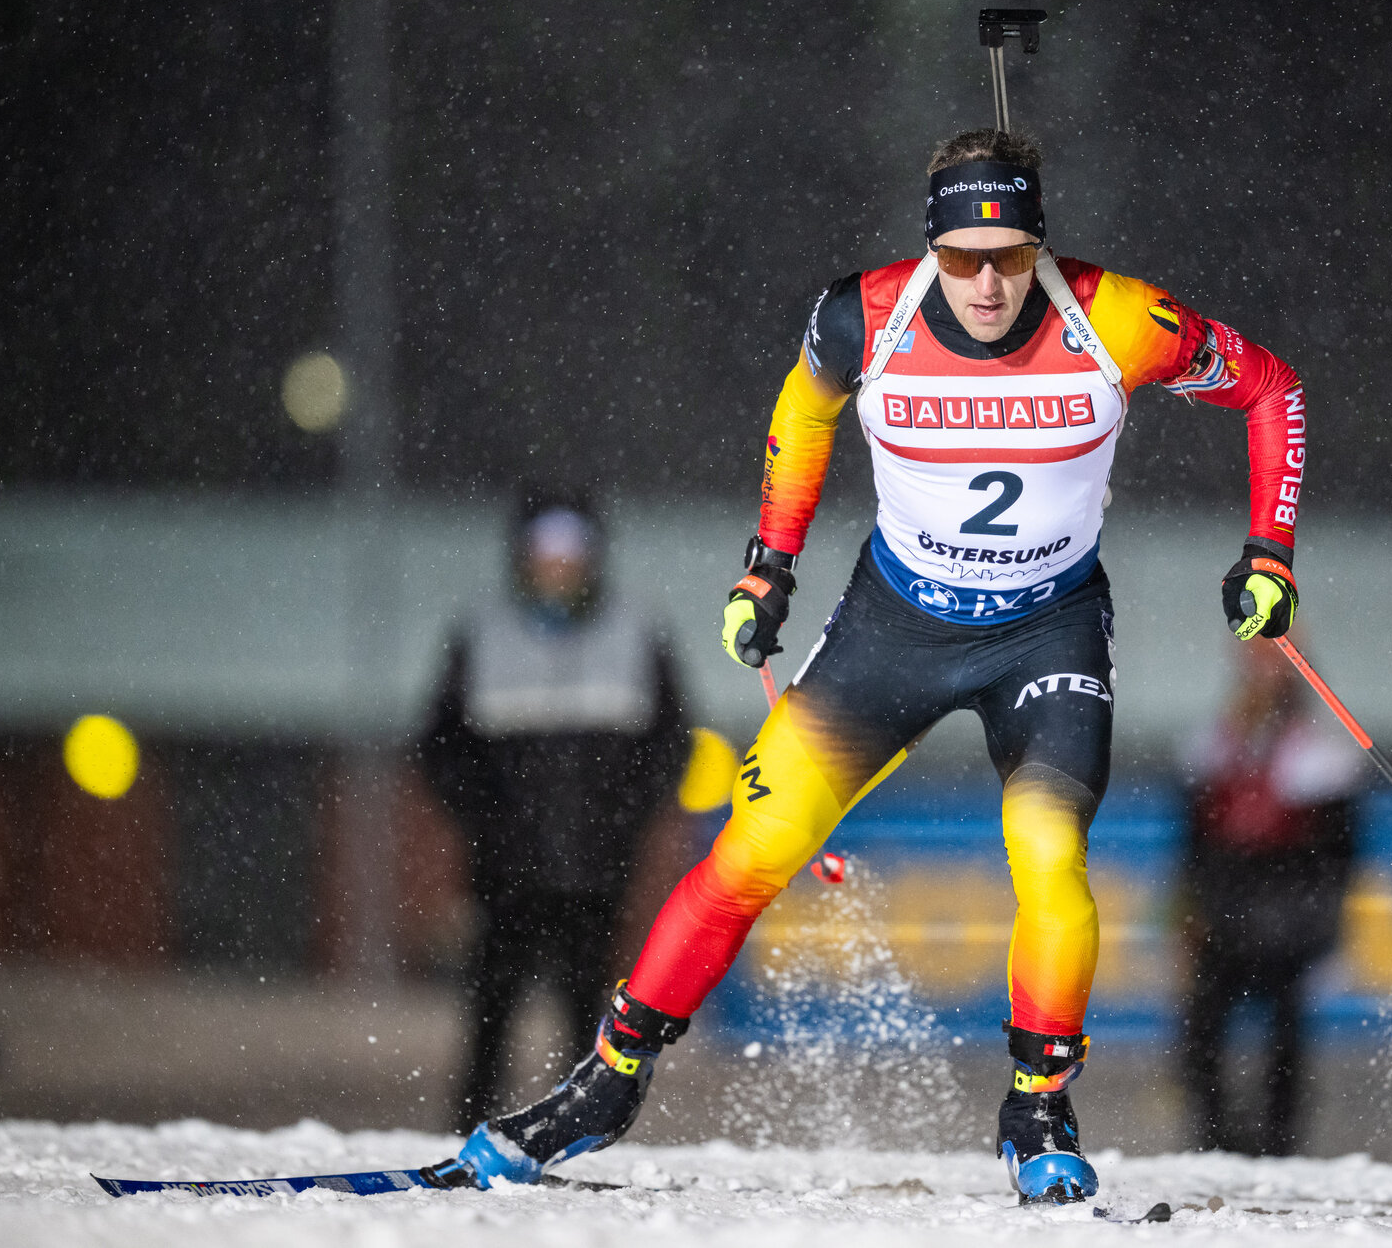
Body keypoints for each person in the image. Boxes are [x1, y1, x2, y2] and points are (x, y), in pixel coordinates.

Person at [440, 129, 1309, 1204]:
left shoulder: (1121, 318)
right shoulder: (863, 313)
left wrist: (1268, 549)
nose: (986, 283)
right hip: (890, 627)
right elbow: (801, 410)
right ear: (928, 244)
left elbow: (1272, 388)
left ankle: (1037, 1105)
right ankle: (606, 1081)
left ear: (1039, 241)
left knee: (1047, 856)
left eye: (1008, 254)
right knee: (750, 850)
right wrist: (769, 565)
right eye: (960, 256)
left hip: (1045, 630)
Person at [417, 488, 692, 1134]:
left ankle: (580, 1131)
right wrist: (487, 823)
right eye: (546, 553)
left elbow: (670, 742)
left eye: (572, 554)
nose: (559, 567)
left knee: (587, 1006)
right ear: (523, 557)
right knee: (491, 1005)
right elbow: (441, 746)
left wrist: (622, 822)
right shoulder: (481, 630)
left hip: (598, 864)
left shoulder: (636, 629)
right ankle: (471, 1131)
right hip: (504, 865)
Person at [1178, 632, 1364, 1156]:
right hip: (1226, 907)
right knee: (1202, 1028)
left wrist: (1323, 923)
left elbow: (1340, 856)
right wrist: (1189, 911)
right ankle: (1217, 1138)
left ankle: (1279, 1142)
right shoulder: (1214, 746)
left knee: (1286, 1032)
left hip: (1289, 909)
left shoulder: (1321, 758)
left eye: (1273, 674)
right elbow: (1192, 846)